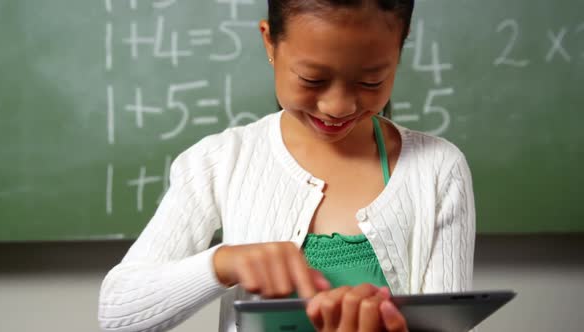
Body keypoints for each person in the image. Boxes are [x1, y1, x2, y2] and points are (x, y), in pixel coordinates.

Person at [98, 0, 475, 331]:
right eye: (313, 79)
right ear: (269, 43)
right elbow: (118, 314)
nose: (337, 106)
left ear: (400, 49)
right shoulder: (219, 162)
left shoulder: (438, 169)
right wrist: (224, 263)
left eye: (370, 80)